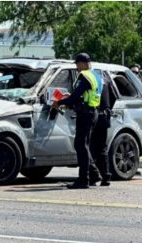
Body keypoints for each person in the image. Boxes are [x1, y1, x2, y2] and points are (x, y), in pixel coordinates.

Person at [52, 53, 102, 189]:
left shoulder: (85, 76)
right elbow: (84, 95)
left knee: (80, 145)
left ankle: (83, 180)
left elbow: (76, 95)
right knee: (83, 145)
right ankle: (94, 174)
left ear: (84, 63)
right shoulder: (96, 75)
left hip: (86, 114)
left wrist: (60, 101)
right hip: (93, 111)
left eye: (77, 64)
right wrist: (70, 100)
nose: (76, 67)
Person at [90, 73, 117, 186]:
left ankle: (93, 176)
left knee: (91, 147)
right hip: (105, 116)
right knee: (102, 148)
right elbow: (114, 96)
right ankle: (106, 176)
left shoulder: (90, 80)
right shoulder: (105, 80)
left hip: (95, 116)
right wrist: (107, 107)